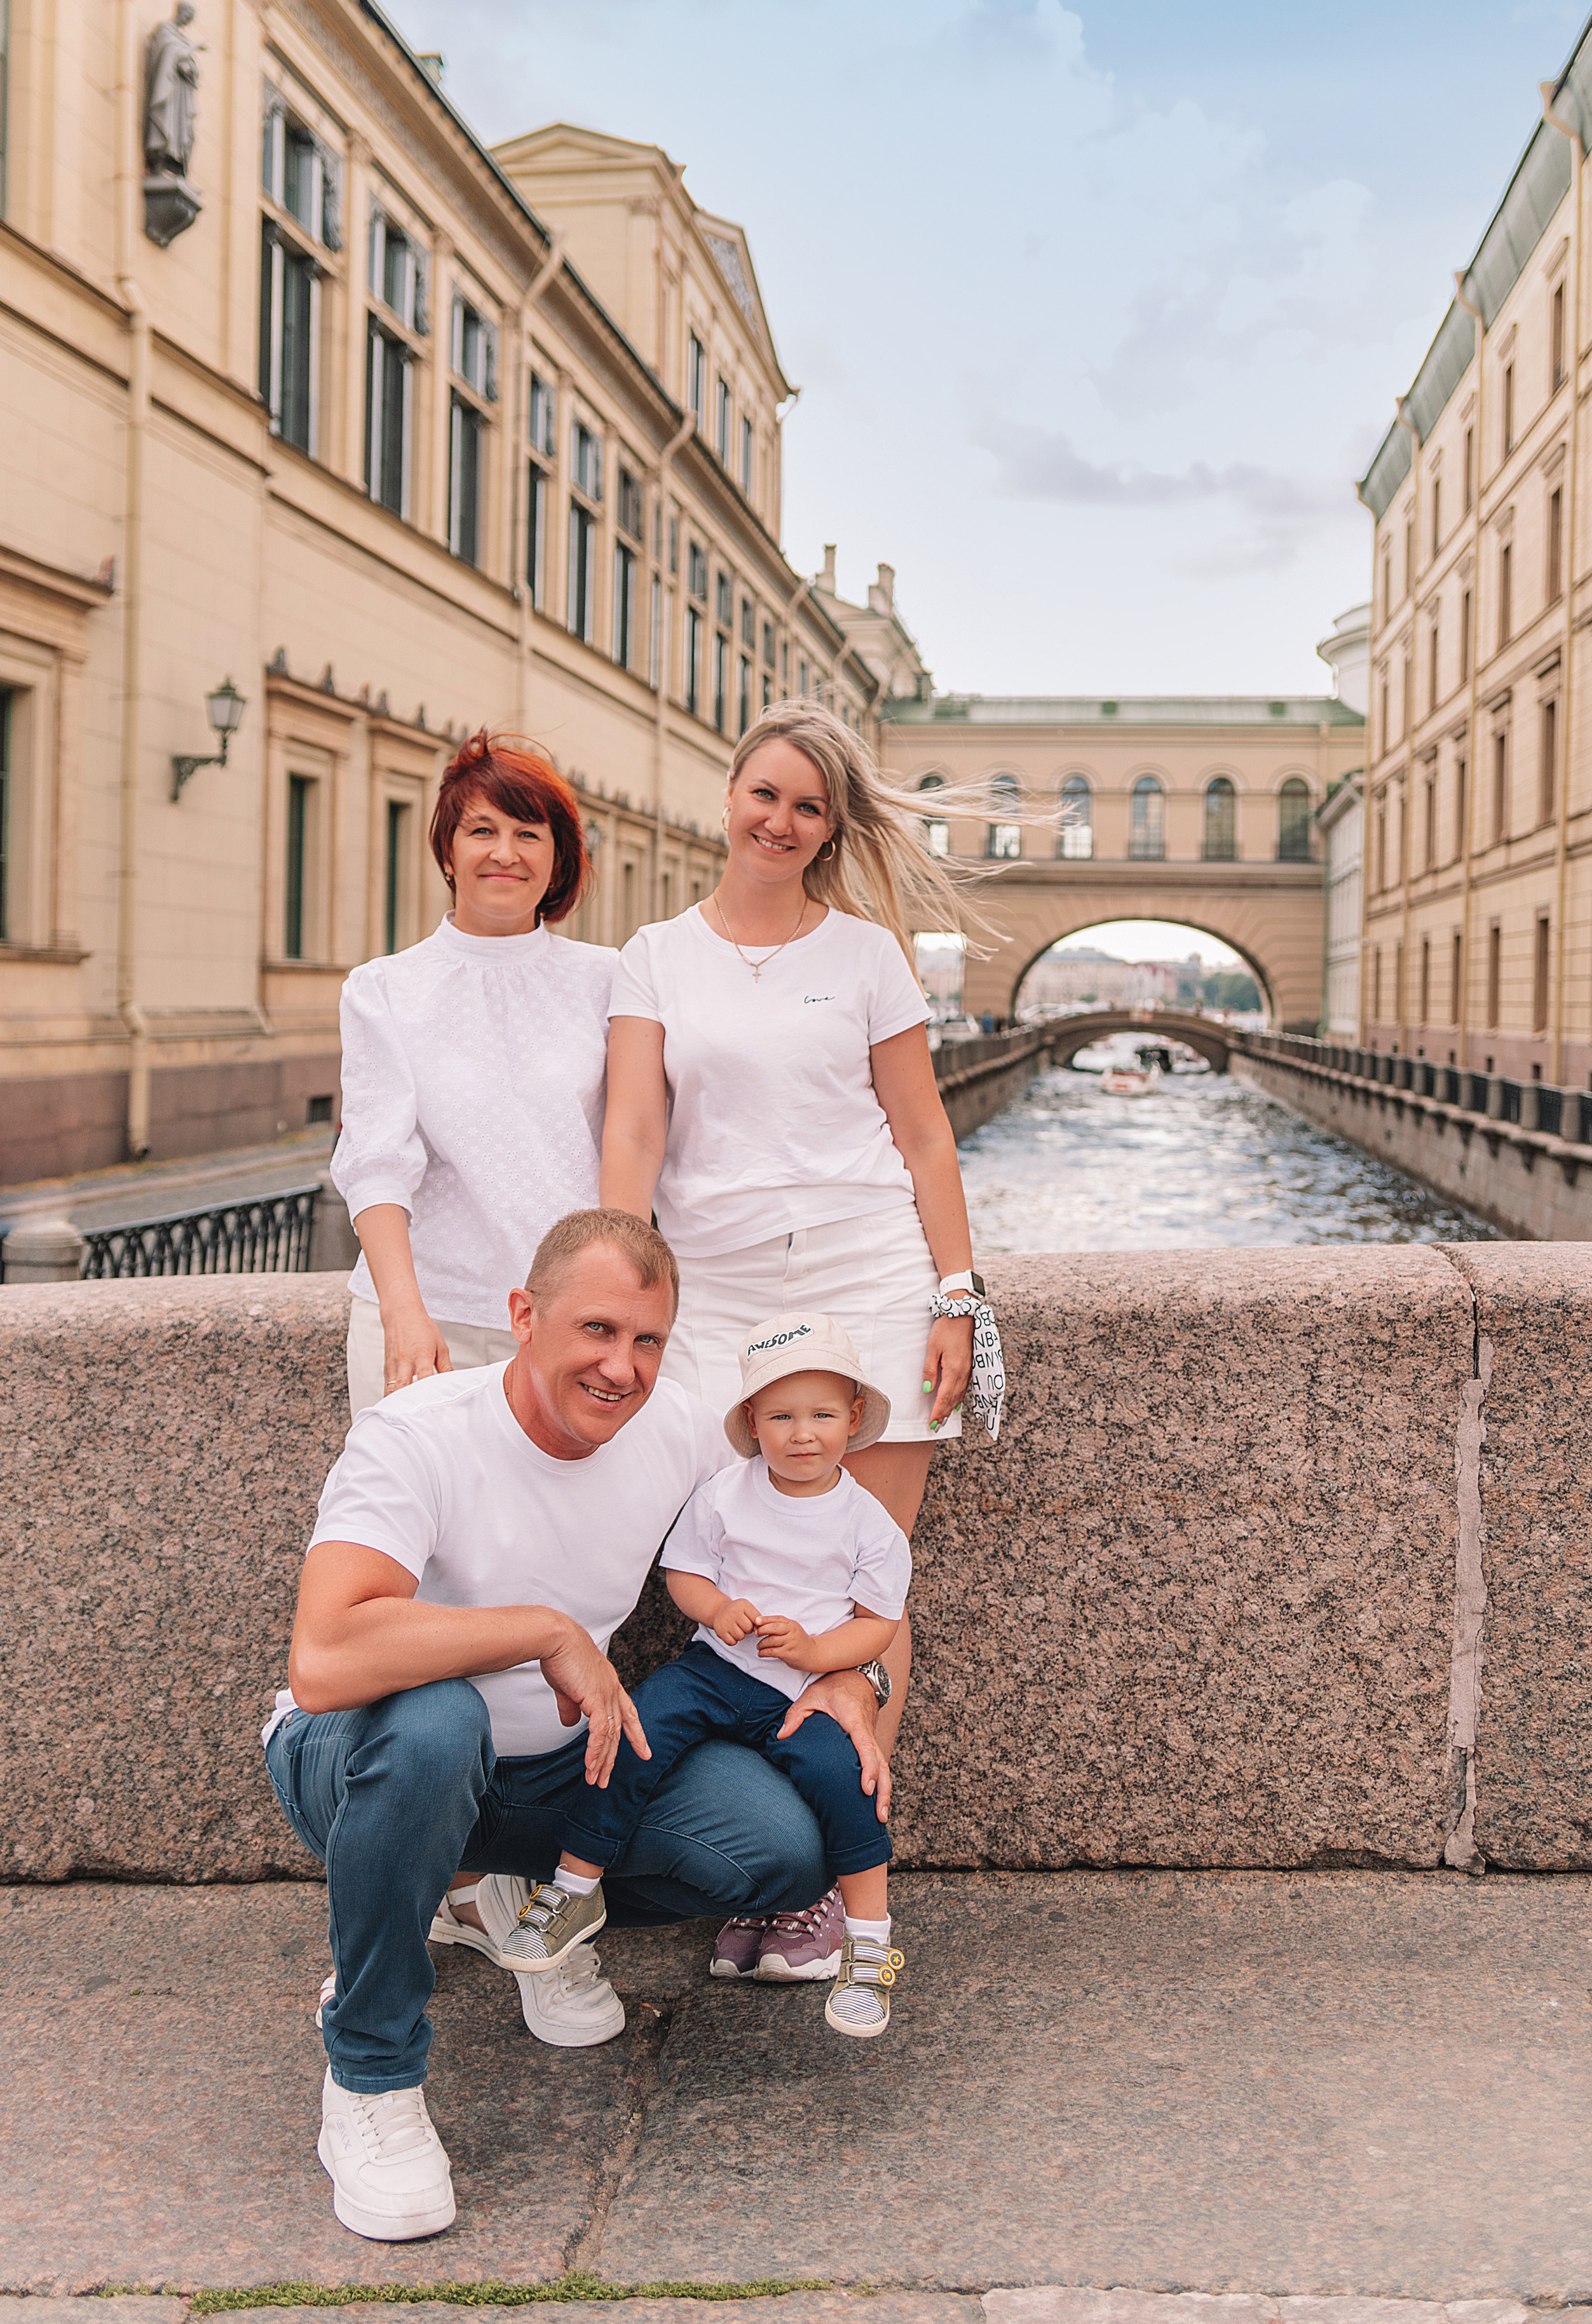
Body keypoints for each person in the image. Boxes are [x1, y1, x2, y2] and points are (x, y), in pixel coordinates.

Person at [261, 1208, 890, 2244]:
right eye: (597, 1331)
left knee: (780, 1849)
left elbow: (823, 1544)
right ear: (523, 1316)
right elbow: (325, 1658)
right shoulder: (418, 1434)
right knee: (435, 1722)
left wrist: (853, 1674)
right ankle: (369, 2076)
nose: (622, 1367)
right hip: (360, 1759)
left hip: (558, 1770)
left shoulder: (681, 1431)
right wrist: (542, 1632)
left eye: (647, 1339)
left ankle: (501, 1894)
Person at [597, 703, 991, 1987]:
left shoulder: (870, 953)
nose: (778, 822)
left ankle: (827, 1883)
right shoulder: (652, 957)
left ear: (829, 828)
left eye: (806, 807)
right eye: (762, 795)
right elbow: (637, 1139)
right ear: (729, 794)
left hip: (866, 1271)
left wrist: (953, 1297)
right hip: (712, 1290)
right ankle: (745, 1846)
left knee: (865, 1585)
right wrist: (612, 1281)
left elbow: (924, 1136)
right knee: (681, 1550)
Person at [503, 1311, 911, 2039]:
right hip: (715, 1669)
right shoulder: (728, 1492)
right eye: (782, 1416)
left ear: (852, 1419)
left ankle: (869, 1945)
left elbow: (878, 1621)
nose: (803, 1433)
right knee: (633, 1727)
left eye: (821, 1415)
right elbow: (684, 1570)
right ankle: (573, 1886)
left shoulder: (866, 1521)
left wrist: (821, 1655)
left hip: (800, 1692)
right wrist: (717, 1607)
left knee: (852, 1778)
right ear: (752, 1421)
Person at [330, 730, 613, 1415]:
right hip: (429, 1320)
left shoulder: (608, 981)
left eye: (528, 833)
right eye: (480, 830)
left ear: (559, 859)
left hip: (566, 1324)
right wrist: (404, 1315)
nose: (504, 853)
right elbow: (375, 1161)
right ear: (448, 853)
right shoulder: (385, 989)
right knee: (411, 1519)